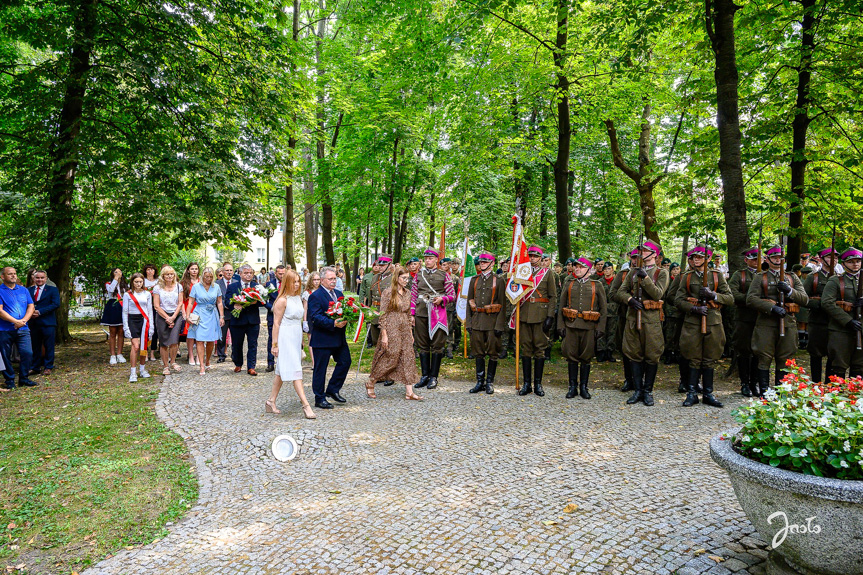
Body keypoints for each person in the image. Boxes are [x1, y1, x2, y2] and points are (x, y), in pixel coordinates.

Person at [673, 246, 734, 408]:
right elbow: (677, 300)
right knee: (693, 357)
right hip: (693, 322)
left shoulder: (716, 275)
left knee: (710, 358)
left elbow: (729, 298)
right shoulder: (686, 277)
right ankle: (691, 393)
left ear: (708, 259)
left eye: (700, 257)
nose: (696, 260)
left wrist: (713, 295)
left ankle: (708, 393)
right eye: (694, 258)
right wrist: (693, 308)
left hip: (713, 321)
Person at [745, 245, 808, 395]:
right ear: (767, 259)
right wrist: (771, 308)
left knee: (785, 358)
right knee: (764, 357)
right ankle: (765, 392)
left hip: (788, 323)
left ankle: (781, 392)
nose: (777, 260)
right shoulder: (760, 277)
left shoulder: (792, 277)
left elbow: (805, 299)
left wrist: (789, 291)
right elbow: (751, 299)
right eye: (774, 257)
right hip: (766, 323)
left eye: (780, 258)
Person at [616, 240, 669, 406]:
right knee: (634, 354)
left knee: (652, 355)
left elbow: (658, 294)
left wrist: (645, 277)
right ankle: (637, 390)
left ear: (654, 254)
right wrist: (630, 300)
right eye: (641, 250)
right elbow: (620, 292)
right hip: (633, 318)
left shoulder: (661, 272)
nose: (641, 253)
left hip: (651, 320)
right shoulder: (632, 271)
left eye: (645, 251)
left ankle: (648, 391)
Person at [367, 266, 423, 400]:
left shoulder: (408, 293)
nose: (406, 281)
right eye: (404, 278)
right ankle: (371, 381)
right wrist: (384, 334)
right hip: (391, 325)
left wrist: (410, 332)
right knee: (392, 355)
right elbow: (383, 314)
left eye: (407, 278)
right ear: (397, 278)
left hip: (404, 325)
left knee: (408, 357)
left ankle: (409, 392)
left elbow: (409, 314)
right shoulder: (388, 292)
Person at [266, 270, 316, 418]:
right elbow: (276, 324)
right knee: (295, 370)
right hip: (285, 336)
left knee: (282, 371)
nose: (296, 284)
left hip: (295, 335)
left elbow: (299, 320)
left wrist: (300, 339)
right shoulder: (282, 300)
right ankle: (306, 405)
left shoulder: (298, 298)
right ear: (286, 282)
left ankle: (271, 401)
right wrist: (274, 345)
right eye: (293, 282)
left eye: (298, 282)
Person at [557, 256, 607, 399]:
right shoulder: (569, 284)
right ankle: (572, 387)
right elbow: (561, 306)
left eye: (581, 267)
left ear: (589, 270)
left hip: (589, 326)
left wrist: (600, 328)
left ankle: (584, 387)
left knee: (586, 357)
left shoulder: (597, 285)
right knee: (571, 356)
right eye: (576, 266)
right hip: (571, 325)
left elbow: (603, 310)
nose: (577, 269)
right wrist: (560, 325)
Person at [513, 246, 557, 396]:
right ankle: (526, 384)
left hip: (540, 315)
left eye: (535, 256)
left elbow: (553, 296)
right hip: (524, 314)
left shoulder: (548, 273)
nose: (532, 258)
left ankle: (538, 384)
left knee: (539, 349)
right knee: (526, 348)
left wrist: (550, 316)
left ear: (540, 258)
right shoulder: (520, 273)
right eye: (530, 256)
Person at [411, 248, 457, 390]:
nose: (428, 261)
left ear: (436, 260)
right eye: (426, 258)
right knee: (422, 344)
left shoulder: (444, 275)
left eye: (431, 258)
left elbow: (452, 295)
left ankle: (433, 377)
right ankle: (424, 376)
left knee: (437, 345)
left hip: (438, 314)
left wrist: (442, 299)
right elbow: (413, 296)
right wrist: (412, 315)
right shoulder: (418, 275)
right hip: (421, 313)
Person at [308, 266, 352, 409]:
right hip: (323, 339)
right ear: (322, 280)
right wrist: (332, 323)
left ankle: (333, 389)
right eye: (330, 279)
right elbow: (315, 317)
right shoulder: (316, 296)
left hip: (338, 338)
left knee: (345, 361)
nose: (334, 281)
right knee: (321, 369)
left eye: (335, 278)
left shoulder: (339, 293)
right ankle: (319, 398)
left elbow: (344, 310)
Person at [466, 253, 507, 394]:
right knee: (478, 352)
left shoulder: (499, 280)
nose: (482, 264)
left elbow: (503, 304)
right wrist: (469, 323)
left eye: (485, 262)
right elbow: (469, 302)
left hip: (492, 321)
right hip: (477, 320)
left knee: (493, 352)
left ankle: (489, 382)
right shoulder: (474, 280)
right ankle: (479, 382)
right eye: (481, 262)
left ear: (492, 264)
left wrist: (499, 325)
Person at [821, 248, 863, 379]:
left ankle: (855, 397)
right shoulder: (836, 281)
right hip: (840, 329)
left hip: (861, 328)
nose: (855, 264)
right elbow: (827, 303)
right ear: (843, 264)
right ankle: (835, 397)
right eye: (851, 262)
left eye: (858, 261)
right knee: (838, 364)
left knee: (859, 365)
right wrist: (848, 321)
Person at [803, 248, 838, 383]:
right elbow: (803, 298)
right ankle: (816, 384)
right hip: (818, 321)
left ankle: (830, 385)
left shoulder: (841, 277)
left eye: (835, 258)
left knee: (833, 354)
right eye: (829, 257)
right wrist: (819, 303)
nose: (833, 260)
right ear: (821, 259)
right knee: (816, 354)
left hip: (835, 321)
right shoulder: (814, 277)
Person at [728, 248, 760, 396]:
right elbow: (732, 293)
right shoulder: (739, 275)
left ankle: (755, 382)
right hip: (744, 318)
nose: (756, 262)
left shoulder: (765, 275)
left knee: (759, 351)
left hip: (762, 318)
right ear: (746, 260)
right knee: (744, 351)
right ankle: (744, 383)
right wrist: (751, 298)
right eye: (753, 259)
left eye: (758, 259)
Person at [0, 267, 36, 390]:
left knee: (27, 353)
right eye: (10, 274)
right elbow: (0, 311)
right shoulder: (0, 291)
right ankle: (9, 380)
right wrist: (15, 321)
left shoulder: (23, 290)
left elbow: (31, 306)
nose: (13, 276)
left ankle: (24, 378)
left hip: (23, 328)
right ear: (3, 277)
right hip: (4, 329)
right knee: (5, 355)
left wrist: (23, 321)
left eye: (15, 273)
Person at [224, 264, 263, 375]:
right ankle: (238, 364)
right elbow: (227, 302)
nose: (248, 275)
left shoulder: (257, 286)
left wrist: (257, 301)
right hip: (237, 320)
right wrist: (234, 305)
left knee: (253, 344)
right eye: (246, 273)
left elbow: (263, 301)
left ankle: (251, 367)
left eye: (250, 273)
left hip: (253, 320)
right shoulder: (232, 286)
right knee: (237, 344)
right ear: (240, 274)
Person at [609, 249, 639, 391]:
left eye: (638, 257)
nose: (635, 260)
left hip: (643, 316)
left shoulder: (650, 274)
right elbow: (613, 294)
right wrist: (628, 299)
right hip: (624, 316)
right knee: (626, 349)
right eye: (633, 257)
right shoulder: (622, 274)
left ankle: (641, 381)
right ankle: (629, 379)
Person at [187, 267, 224, 375]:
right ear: (202, 276)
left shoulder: (216, 286)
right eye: (206, 276)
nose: (208, 278)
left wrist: (221, 316)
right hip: (199, 313)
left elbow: (219, 302)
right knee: (199, 339)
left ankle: (207, 360)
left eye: (210, 277)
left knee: (211, 340)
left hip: (212, 314)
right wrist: (188, 316)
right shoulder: (196, 287)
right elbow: (190, 302)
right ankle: (202, 365)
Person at [153, 266, 185, 375]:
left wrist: (173, 317)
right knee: (163, 341)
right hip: (162, 315)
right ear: (163, 276)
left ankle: (173, 362)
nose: (169, 276)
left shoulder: (179, 286)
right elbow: (156, 306)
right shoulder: (157, 288)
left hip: (176, 315)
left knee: (174, 340)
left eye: (171, 274)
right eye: (167, 274)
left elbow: (180, 303)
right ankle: (165, 366)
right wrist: (167, 318)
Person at [122, 273, 154, 382]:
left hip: (144, 321)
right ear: (132, 282)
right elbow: (125, 312)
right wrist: (125, 328)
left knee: (143, 346)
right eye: (136, 282)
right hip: (132, 320)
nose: (138, 284)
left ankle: (142, 369)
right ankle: (133, 372)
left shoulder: (147, 294)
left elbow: (150, 311)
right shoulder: (127, 295)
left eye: (140, 282)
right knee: (135, 346)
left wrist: (152, 327)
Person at [27, 270, 60, 376]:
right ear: (34, 278)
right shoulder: (28, 290)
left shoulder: (52, 289)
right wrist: (30, 313)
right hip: (33, 322)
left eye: (42, 278)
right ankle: (35, 367)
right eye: (37, 278)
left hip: (48, 322)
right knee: (35, 345)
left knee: (49, 345)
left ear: (46, 279)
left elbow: (55, 304)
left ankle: (48, 367)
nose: (39, 280)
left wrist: (40, 312)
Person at [101, 268, 127, 364]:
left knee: (121, 331)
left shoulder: (124, 285)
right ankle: (112, 355)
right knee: (112, 332)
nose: (118, 273)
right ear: (112, 274)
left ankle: (120, 354)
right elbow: (111, 290)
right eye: (116, 272)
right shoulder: (109, 284)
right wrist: (115, 279)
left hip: (123, 306)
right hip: (113, 306)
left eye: (120, 271)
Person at [264, 265, 287, 372]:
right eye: (280, 274)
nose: (282, 276)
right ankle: (270, 362)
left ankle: (283, 362)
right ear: (275, 273)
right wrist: (272, 308)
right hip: (272, 315)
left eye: (283, 273)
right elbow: (263, 300)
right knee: (272, 339)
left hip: (286, 316)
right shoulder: (269, 284)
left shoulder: (289, 284)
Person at [180, 262, 201, 366]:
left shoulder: (202, 281)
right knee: (190, 334)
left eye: (196, 269)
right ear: (188, 270)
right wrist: (184, 313)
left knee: (200, 334)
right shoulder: (184, 283)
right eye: (192, 269)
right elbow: (182, 300)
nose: (194, 271)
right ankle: (191, 355)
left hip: (200, 309)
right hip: (189, 309)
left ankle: (198, 355)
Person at [595, 262, 617, 363]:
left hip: (614, 311)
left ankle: (609, 352)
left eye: (609, 269)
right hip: (602, 311)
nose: (607, 271)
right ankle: (601, 352)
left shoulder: (616, 282)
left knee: (612, 332)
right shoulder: (599, 282)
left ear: (612, 270)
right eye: (605, 269)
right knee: (601, 331)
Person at [215, 263, 234, 363]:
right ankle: (221, 355)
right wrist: (225, 304)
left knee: (236, 336)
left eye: (231, 270)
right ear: (223, 272)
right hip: (223, 312)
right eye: (227, 270)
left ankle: (235, 355)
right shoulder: (217, 283)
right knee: (221, 335)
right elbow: (216, 298)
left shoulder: (236, 282)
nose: (229, 272)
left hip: (235, 313)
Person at [302, 271, 321, 367]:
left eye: (318, 279)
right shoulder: (307, 293)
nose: (316, 282)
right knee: (311, 339)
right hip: (310, 316)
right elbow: (305, 308)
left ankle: (320, 360)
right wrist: (304, 321)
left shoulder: (322, 291)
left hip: (320, 316)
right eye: (314, 280)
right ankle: (314, 362)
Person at [142, 264, 160, 362]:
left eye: (152, 269)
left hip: (155, 307)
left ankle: (152, 352)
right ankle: (145, 353)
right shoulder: (142, 280)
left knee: (155, 331)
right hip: (144, 308)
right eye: (148, 269)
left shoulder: (158, 281)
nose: (150, 271)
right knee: (144, 330)